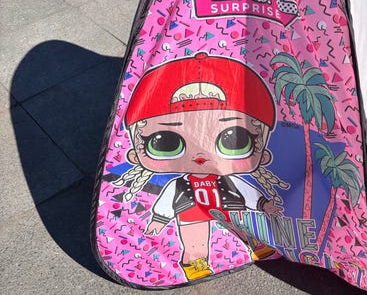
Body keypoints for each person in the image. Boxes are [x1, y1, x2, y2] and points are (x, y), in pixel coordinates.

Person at [113, 52, 289, 281]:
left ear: (263, 153)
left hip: (230, 205)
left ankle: (256, 243)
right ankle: (195, 261)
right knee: (194, 239)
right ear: (135, 154)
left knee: (245, 223)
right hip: (191, 211)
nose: (200, 155)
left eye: (234, 140)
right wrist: (159, 219)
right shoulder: (179, 185)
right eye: (166, 142)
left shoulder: (228, 181)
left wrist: (263, 204)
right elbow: (168, 199)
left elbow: (246, 191)